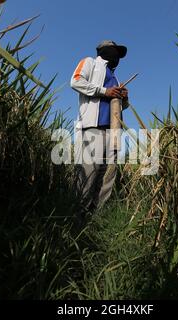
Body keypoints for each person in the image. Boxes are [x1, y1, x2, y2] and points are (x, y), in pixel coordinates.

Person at [70, 40, 129, 219]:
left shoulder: (115, 77)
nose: (116, 56)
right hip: (91, 127)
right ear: (103, 50)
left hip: (113, 130)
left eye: (119, 54)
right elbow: (76, 81)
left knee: (108, 174)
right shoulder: (90, 63)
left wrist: (124, 98)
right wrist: (104, 91)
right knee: (89, 172)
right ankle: (78, 215)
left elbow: (121, 106)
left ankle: (97, 216)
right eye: (114, 51)